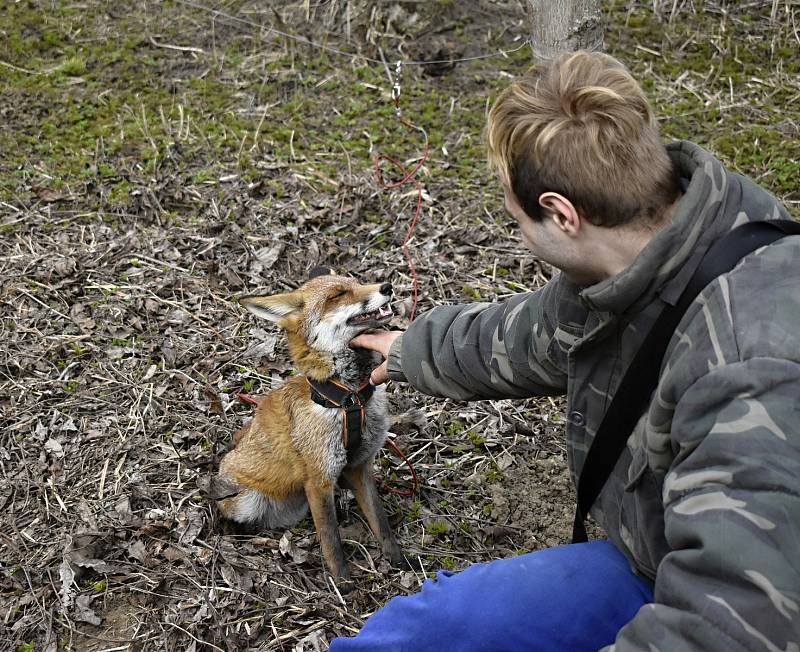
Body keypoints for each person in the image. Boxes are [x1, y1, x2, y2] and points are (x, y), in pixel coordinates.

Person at [331, 51, 800, 651]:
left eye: (515, 215)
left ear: (560, 212)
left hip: (732, 602)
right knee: (418, 632)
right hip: (658, 553)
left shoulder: (747, 365)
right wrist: (414, 349)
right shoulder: (659, 232)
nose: (516, 229)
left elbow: (738, 627)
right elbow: (542, 334)